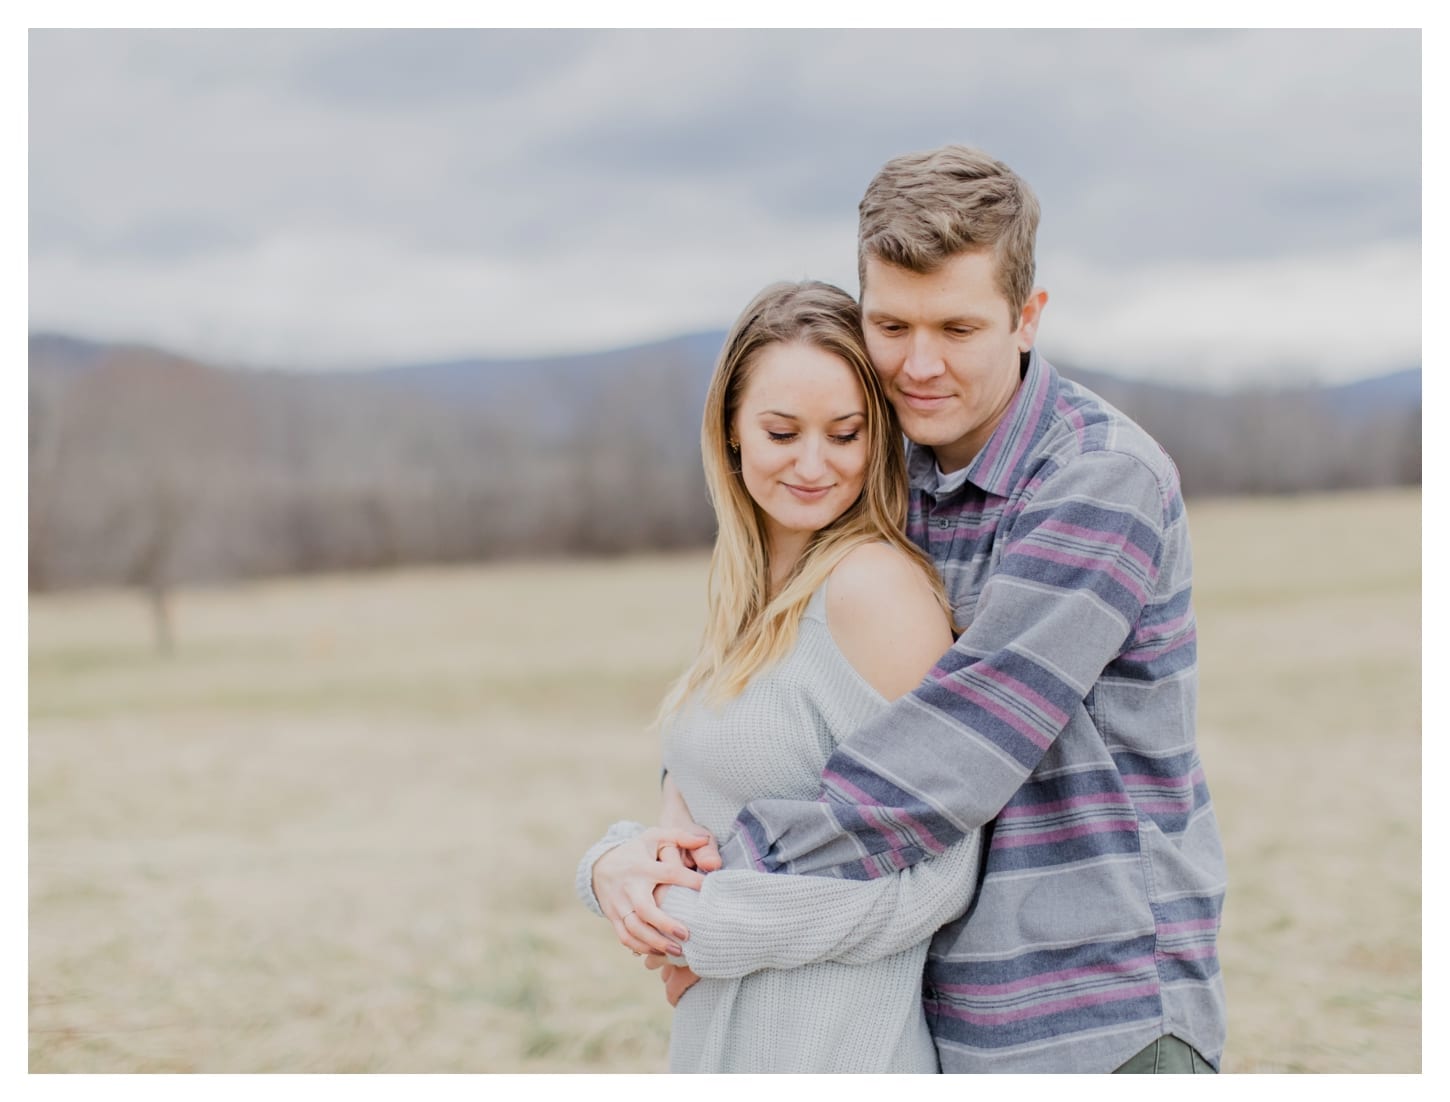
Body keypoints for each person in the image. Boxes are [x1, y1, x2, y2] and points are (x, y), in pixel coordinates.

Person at [596, 145, 1228, 1074]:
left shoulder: (1097, 481)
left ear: (1027, 318)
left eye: (958, 328)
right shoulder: (892, 475)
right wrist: (641, 854)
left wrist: (714, 898)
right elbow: (777, 708)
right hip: (942, 1008)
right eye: (891, 325)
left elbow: (954, 749)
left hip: (1096, 1012)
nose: (919, 364)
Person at [575, 280, 986, 1073]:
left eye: (845, 434)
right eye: (781, 431)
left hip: (842, 1050)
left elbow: (940, 872)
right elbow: (702, 829)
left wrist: (713, 928)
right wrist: (611, 866)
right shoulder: (745, 596)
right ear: (732, 431)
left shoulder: (874, 590)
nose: (812, 465)